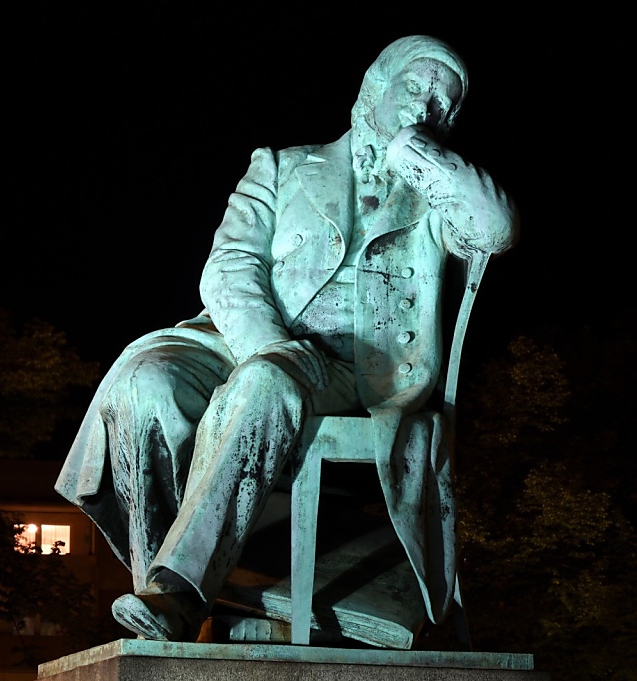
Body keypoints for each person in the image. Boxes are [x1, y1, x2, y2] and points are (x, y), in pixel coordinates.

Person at [56, 35, 517, 642]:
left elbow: (497, 229)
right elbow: (229, 267)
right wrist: (268, 343)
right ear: (374, 89)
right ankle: (169, 587)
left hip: (355, 367)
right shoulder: (281, 166)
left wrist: (419, 158)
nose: (427, 106)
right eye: (415, 87)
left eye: (443, 103)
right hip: (242, 337)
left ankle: (180, 593)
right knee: (145, 379)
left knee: (268, 384)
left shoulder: (439, 200)